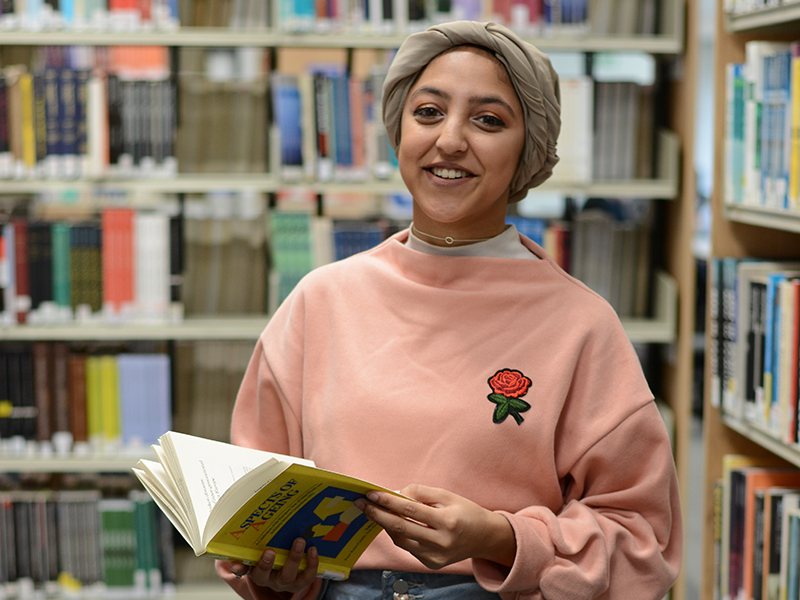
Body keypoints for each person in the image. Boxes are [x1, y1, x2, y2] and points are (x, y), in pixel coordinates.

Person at [216, 20, 682, 600]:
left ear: (528, 151)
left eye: (488, 120)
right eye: (429, 112)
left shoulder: (581, 325)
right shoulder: (320, 301)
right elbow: (250, 511)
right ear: (398, 130)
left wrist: (502, 538)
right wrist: (274, 575)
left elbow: (643, 541)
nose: (450, 140)